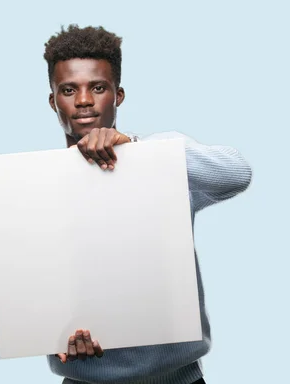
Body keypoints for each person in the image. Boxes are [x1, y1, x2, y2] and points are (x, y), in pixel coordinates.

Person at [43, 25, 252, 384]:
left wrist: (139, 149)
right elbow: (32, 291)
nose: (83, 101)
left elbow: (237, 173)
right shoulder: (32, 187)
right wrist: (52, 334)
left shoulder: (160, 156)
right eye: (68, 90)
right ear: (53, 101)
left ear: (118, 95)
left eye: (97, 87)